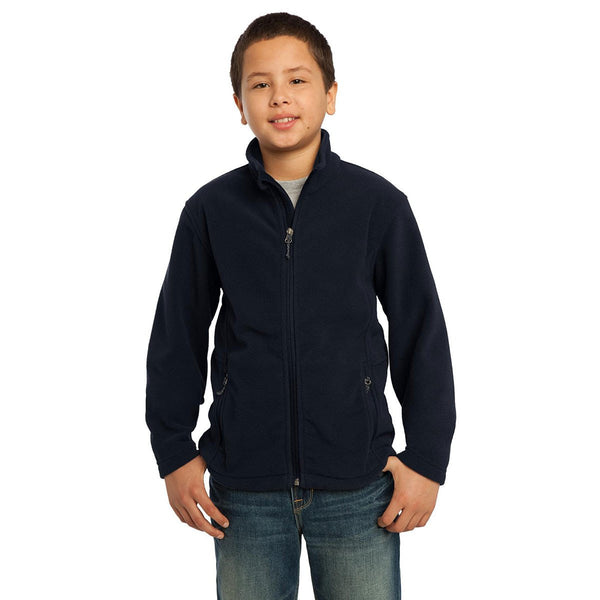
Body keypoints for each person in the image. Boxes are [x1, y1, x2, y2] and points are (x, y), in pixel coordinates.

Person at [145, 11, 456, 600]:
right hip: (244, 489)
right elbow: (176, 336)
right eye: (260, 83)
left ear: (331, 95)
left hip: (359, 485)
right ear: (239, 104)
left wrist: (428, 459)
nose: (279, 96)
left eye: (298, 80)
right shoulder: (211, 210)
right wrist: (173, 451)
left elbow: (421, 333)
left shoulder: (377, 204)